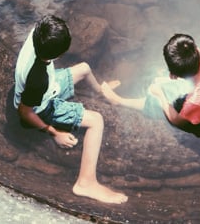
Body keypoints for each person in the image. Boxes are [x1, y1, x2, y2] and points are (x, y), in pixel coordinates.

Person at [13, 15, 127, 204]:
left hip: (50, 84)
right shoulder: (37, 79)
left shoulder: (38, 32)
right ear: (56, 56)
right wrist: (54, 132)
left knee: (84, 68)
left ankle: (101, 92)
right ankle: (85, 183)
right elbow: (25, 112)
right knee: (96, 121)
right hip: (43, 106)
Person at [100, 33, 200, 135]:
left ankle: (118, 101)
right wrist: (170, 78)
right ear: (198, 51)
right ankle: (162, 81)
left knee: (156, 101)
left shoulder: (196, 101)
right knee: (162, 79)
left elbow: (177, 121)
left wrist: (160, 94)